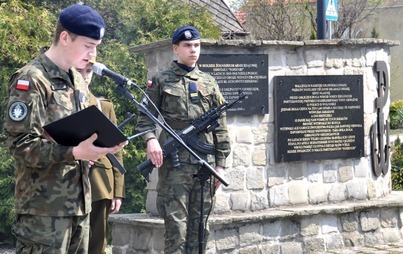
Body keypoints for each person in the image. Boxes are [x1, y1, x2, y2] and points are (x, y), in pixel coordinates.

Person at [3, 4, 126, 253]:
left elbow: (75, 135)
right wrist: (75, 153)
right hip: (43, 213)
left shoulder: (77, 79)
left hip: (80, 207)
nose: (93, 55)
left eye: (96, 47)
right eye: (88, 45)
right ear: (65, 37)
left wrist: (97, 147)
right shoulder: (31, 80)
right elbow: (20, 146)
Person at [135, 25, 231, 253]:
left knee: (200, 230)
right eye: (187, 46)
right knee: (176, 230)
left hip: (203, 165)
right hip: (175, 166)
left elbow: (221, 125)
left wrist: (221, 164)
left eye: (196, 45)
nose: (193, 50)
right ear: (175, 49)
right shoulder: (161, 80)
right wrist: (151, 140)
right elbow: (145, 117)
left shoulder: (209, 82)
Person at [76, 55, 125, 254]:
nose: (85, 76)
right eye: (80, 71)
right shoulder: (58, 103)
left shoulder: (104, 106)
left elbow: (117, 150)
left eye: (89, 72)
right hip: (69, 181)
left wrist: (117, 191)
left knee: (97, 244)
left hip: (100, 182)